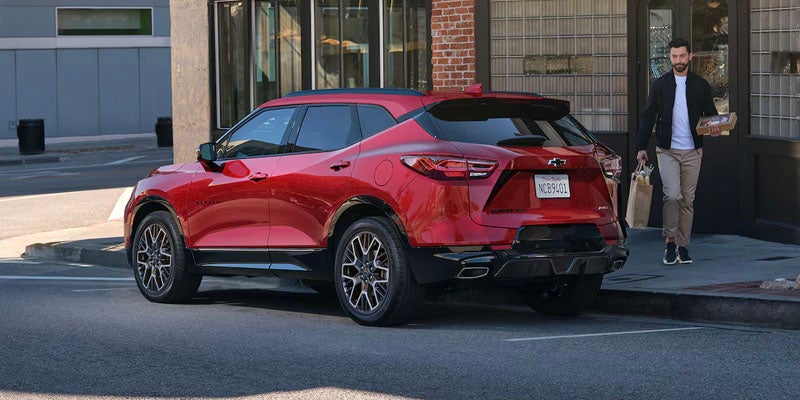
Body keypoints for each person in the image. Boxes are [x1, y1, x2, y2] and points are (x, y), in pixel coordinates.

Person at [637, 38, 721, 265]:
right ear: (670, 58)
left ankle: (683, 247)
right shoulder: (661, 84)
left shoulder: (700, 85)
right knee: (672, 195)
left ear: (690, 57)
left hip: (693, 150)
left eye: (682, 56)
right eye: (674, 56)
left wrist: (714, 128)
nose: (678, 61)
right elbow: (648, 116)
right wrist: (641, 147)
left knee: (687, 200)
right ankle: (669, 241)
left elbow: (711, 115)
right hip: (667, 150)